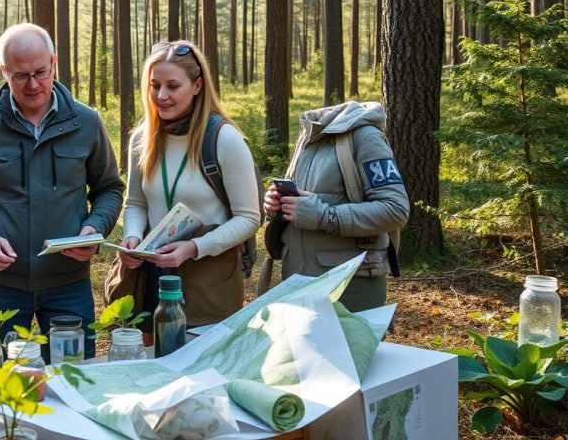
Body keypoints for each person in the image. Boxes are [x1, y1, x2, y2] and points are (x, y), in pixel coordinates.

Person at [0, 23, 124, 359]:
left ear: (54, 62)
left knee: (75, 376)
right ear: (4, 72)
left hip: (68, 283)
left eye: (41, 72)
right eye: (21, 75)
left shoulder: (86, 122)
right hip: (0, 286)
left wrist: (95, 229)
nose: (34, 84)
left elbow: (109, 188)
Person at [113, 40, 261, 340]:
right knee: (151, 371)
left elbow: (249, 218)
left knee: (202, 375)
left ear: (197, 85)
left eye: (172, 86)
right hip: (151, 278)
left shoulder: (224, 138)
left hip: (207, 283)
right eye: (154, 85)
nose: (161, 96)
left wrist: (193, 248)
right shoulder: (142, 138)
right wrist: (132, 237)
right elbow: (136, 203)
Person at [262, 101, 409, 312]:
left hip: (350, 285)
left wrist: (325, 216)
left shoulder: (366, 137)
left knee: (351, 346)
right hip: (297, 278)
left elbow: (395, 209)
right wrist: (277, 204)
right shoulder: (309, 136)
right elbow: (307, 201)